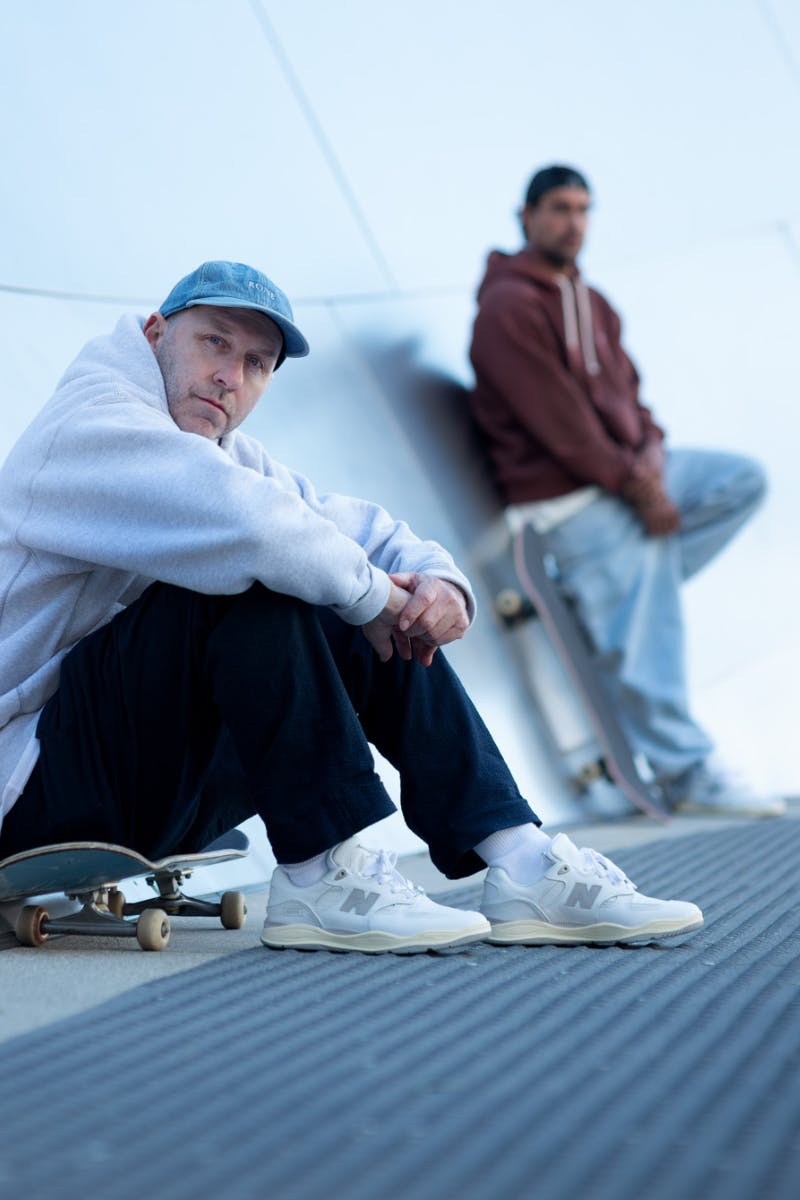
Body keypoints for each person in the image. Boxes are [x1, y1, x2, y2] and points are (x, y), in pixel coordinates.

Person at [0, 259, 703, 953]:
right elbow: (257, 529)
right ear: (156, 333)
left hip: (127, 781)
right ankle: (318, 873)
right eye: (214, 342)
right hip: (26, 785)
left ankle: (518, 857)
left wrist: (435, 582)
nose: (230, 377)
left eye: (256, 364)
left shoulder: (221, 451)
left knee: (327, 576)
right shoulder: (93, 425)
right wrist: (370, 595)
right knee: (273, 580)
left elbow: (338, 522)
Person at [469, 165, 782, 818]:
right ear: (525, 216)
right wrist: (636, 488)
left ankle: (623, 592)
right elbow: (563, 426)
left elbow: (632, 400)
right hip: (572, 497)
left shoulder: (593, 301)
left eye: (584, 209)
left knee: (738, 479)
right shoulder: (508, 309)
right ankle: (688, 774)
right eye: (558, 208)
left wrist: (650, 455)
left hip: (629, 477)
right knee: (644, 612)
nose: (573, 222)